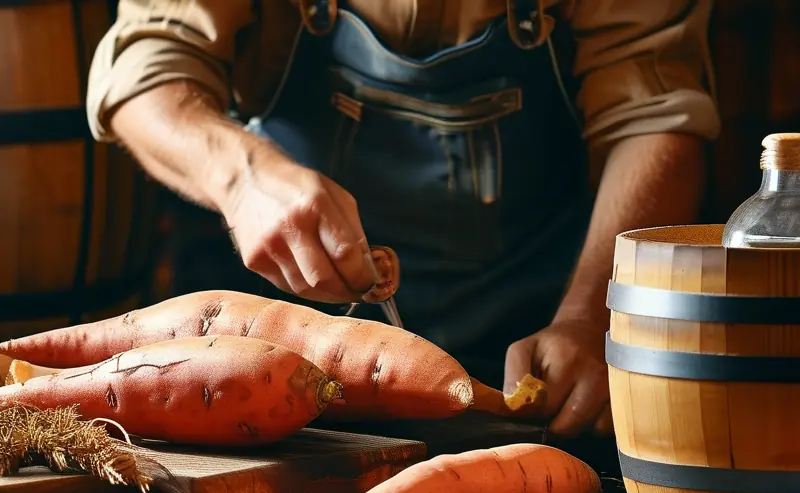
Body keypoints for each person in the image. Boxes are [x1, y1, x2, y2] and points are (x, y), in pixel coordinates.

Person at [85, 0, 720, 439]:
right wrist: (242, 176)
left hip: (527, 372)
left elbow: (654, 112)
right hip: (256, 374)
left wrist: (591, 315)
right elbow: (146, 71)